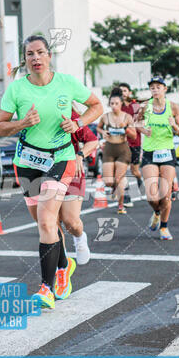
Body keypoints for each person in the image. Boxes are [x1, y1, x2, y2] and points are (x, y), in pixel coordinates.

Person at [0, 35, 103, 309]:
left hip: (61, 158)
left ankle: (46, 288)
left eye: (40, 52)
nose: (35, 58)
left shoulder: (66, 83)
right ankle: (65, 266)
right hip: (28, 163)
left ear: (49, 55)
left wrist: (77, 123)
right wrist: (22, 123)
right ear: (25, 59)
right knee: (47, 224)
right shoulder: (16, 90)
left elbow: (96, 106)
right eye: (30, 54)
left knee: (48, 220)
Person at [136, 76, 179, 240]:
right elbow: (135, 123)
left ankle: (164, 227)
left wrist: (174, 125)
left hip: (167, 152)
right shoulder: (145, 106)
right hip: (150, 152)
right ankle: (156, 212)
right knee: (151, 195)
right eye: (152, 87)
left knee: (165, 194)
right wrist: (144, 131)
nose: (155, 90)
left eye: (158, 87)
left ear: (165, 89)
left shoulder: (174, 107)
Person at [59, 105, 99, 266]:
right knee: (51, 223)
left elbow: (92, 140)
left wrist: (80, 155)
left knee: (71, 221)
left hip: (71, 172)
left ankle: (79, 237)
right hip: (44, 172)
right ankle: (61, 265)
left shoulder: (71, 116)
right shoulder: (35, 113)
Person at [96, 88, 136, 214]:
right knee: (108, 182)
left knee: (119, 178)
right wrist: (103, 132)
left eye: (116, 104)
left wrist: (125, 129)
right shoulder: (105, 117)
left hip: (122, 150)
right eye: (111, 104)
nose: (114, 106)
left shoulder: (127, 117)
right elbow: (98, 128)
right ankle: (113, 188)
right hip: (109, 149)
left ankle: (120, 205)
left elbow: (134, 136)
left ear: (121, 104)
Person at [119, 83, 144, 205]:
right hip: (121, 143)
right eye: (120, 91)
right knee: (122, 171)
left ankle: (140, 180)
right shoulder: (117, 107)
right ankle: (127, 196)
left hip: (135, 142)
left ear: (129, 93)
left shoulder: (135, 106)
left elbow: (141, 123)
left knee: (135, 171)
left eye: (125, 90)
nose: (123, 93)